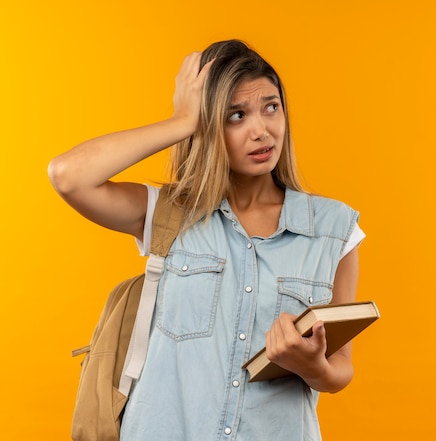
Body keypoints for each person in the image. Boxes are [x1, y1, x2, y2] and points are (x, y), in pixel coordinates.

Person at [48, 39, 364, 440]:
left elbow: (340, 369)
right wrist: (181, 122)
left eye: (271, 106)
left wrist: (310, 365)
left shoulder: (333, 229)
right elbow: (68, 175)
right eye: (236, 115)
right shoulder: (169, 213)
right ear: (209, 125)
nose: (261, 130)